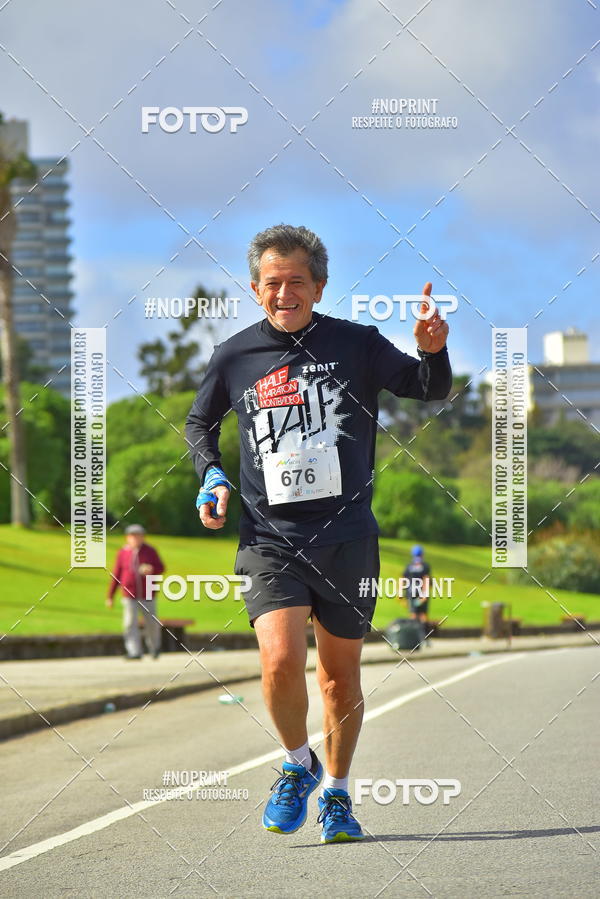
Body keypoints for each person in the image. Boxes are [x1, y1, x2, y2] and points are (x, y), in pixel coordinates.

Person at [185, 224, 451, 843]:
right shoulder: (234, 356)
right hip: (269, 537)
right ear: (256, 290)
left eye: (296, 282)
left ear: (319, 286)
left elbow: (427, 389)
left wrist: (434, 351)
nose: (285, 294)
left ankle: (335, 791)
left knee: (339, 678)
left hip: (348, 536)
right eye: (272, 284)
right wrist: (212, 475)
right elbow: (201, 422)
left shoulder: (357, 344)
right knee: (279, 661)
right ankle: (297, 762)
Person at [106, 524, 165, 660]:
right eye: (133, 536)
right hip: (129, 594)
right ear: (127, 538)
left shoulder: (150, 551)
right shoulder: (123, 553)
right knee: (129, 623)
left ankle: (154, 647)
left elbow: (161, 568)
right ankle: (134, 651)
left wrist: (151, 569)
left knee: (151, 622)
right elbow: (117, 574)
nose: (136, 539)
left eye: (139, 536)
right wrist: (110, 596)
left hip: (148, 593)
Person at [402, 544, 432, 647]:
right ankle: (425, 639)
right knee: (423, 616)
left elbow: (403, 579)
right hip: (421, 594)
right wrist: (424, 595)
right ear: (422, 554)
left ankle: (415, 640)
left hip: (411, 593)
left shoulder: (409, 566)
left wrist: (401, 594)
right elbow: (426, 580)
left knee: (413, 616)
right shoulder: (425, 566)